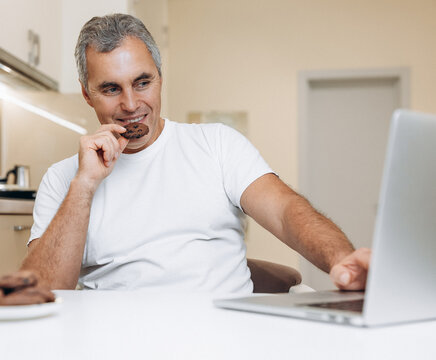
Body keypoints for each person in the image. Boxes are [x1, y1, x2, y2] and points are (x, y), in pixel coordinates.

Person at [21, 13, 371, 293]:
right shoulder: (63, 178)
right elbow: (46, 291)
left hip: (222, 338)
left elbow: (284, 211)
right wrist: (84, 186)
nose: (130, 104)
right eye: (111, 88)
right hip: (118, 341)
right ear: (87, 94)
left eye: (143, 82)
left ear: (160, 77)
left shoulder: (217, 144)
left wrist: (342, 260)